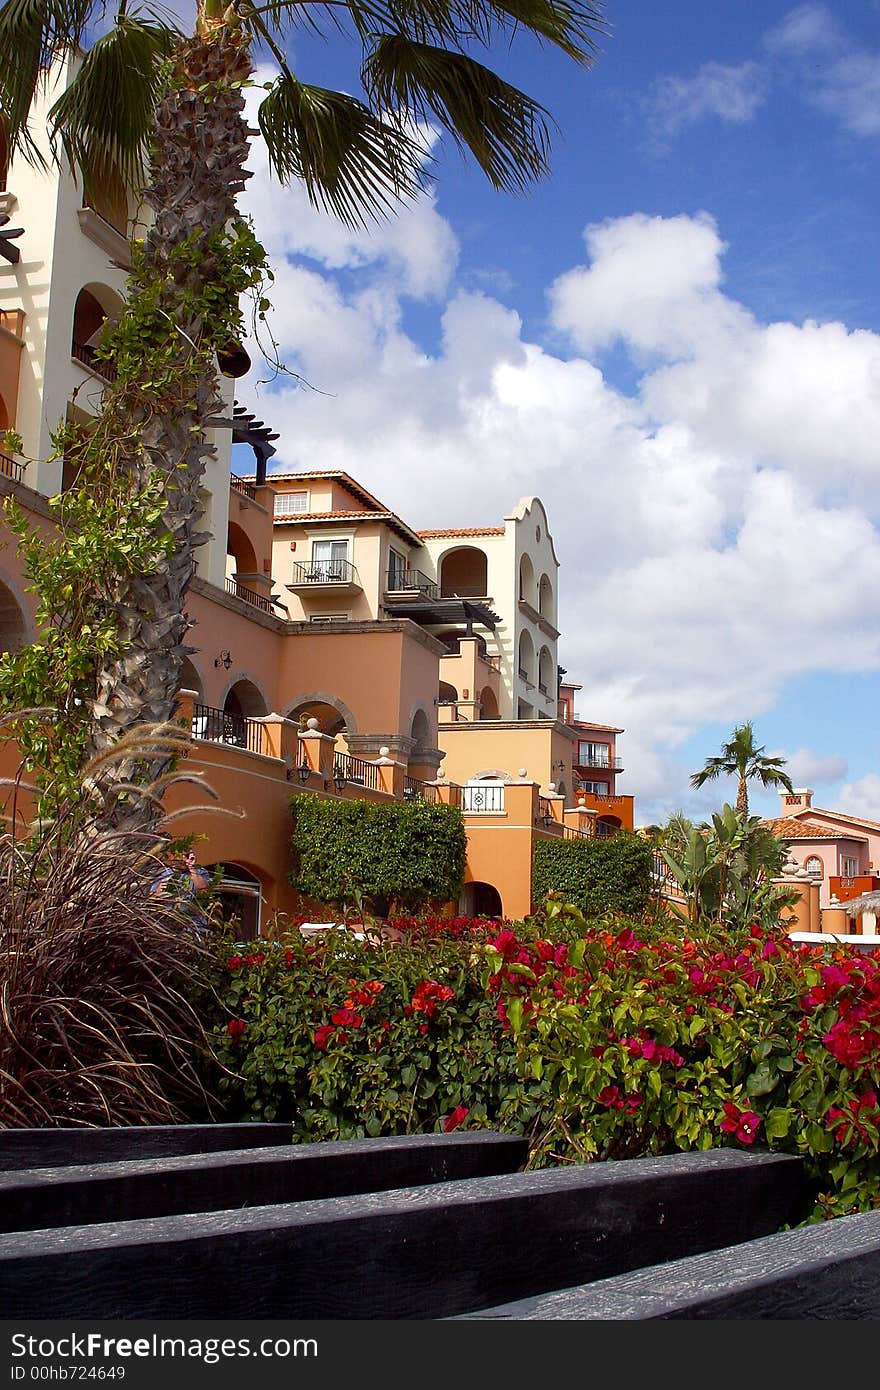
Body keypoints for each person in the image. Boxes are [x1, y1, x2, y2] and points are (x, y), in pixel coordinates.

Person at [150, 849, 212, 930]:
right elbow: (151, 899)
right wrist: (159, 890)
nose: (183, 859)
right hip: (169, 922)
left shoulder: (199, 872)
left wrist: (191, 867)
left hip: (194, 923)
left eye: (186, 856)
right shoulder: (164, 874)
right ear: (172, 856)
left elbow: (203, 890)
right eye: (180, 855)